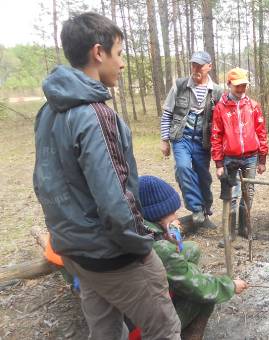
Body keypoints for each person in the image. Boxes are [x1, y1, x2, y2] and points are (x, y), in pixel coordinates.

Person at [33, 12, 180, 339]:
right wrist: (143, 246)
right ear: (98, 53)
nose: (123, 63)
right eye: (120, 53)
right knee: (165, 329)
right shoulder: (94, 115)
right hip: (112, 255)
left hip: (75, 250)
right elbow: (115, 202)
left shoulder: (47, 111)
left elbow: (44, 182)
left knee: (105, 331)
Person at [137, 175, 248, 339]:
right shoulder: (159, 249)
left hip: (136, 302)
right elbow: (201, 289)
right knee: (204, 297)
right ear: (159, 215)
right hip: (145, 328)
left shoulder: (139, 227)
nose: (176, 217)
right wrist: (230, 286)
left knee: (192, 249)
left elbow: (172, 252)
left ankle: (180, 285)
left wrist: (167, 236)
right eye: (172, 212)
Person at [160, 51, 223, 230]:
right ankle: (196, 209)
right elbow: (167, 113)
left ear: (209, 66)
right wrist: (164, 139)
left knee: (203, 178)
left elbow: (221, 121)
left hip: (203, 142)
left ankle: (205, 212)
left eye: (200, 66)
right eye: (193, 65)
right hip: (182, 138)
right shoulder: (180, 85)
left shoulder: (217, 91)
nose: (196, 69)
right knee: (183, 168)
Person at [211, 67, 268, 245]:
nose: (241, 89)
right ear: (229, 85)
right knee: (232, 194)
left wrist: (262, 159)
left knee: (248, 193)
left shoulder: (253, 106)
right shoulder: (220, 108)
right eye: (237, 86)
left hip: (251, 157)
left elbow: (261, 132)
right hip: (230, 158)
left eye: (244, 85)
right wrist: (219, 163)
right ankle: (230, 232)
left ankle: (245, 227)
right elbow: (216, 135)